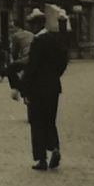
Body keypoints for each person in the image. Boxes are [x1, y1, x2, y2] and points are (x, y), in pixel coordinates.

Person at [22, 9, 70, 170]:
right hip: (53, 88)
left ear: (37, 24)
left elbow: (32, 67)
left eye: (31, 24)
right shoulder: (54, 39)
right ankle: (55, 148)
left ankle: (41, 159)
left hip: (37, 89)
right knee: (50, 121)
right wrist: (56, 74)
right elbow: (64, 58)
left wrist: (24, 89)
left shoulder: (38, 42)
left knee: (37, 122)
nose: (30, 27)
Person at [8, 20, 34, 101]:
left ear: (17, 27)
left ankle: (16, 90)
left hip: (26, 59)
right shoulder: (30, 34)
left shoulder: (15, 36)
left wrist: (16, 60)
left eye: (12, 27)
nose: (10, 30)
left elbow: (14, 53)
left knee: (10, 69)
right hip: (34, 57)